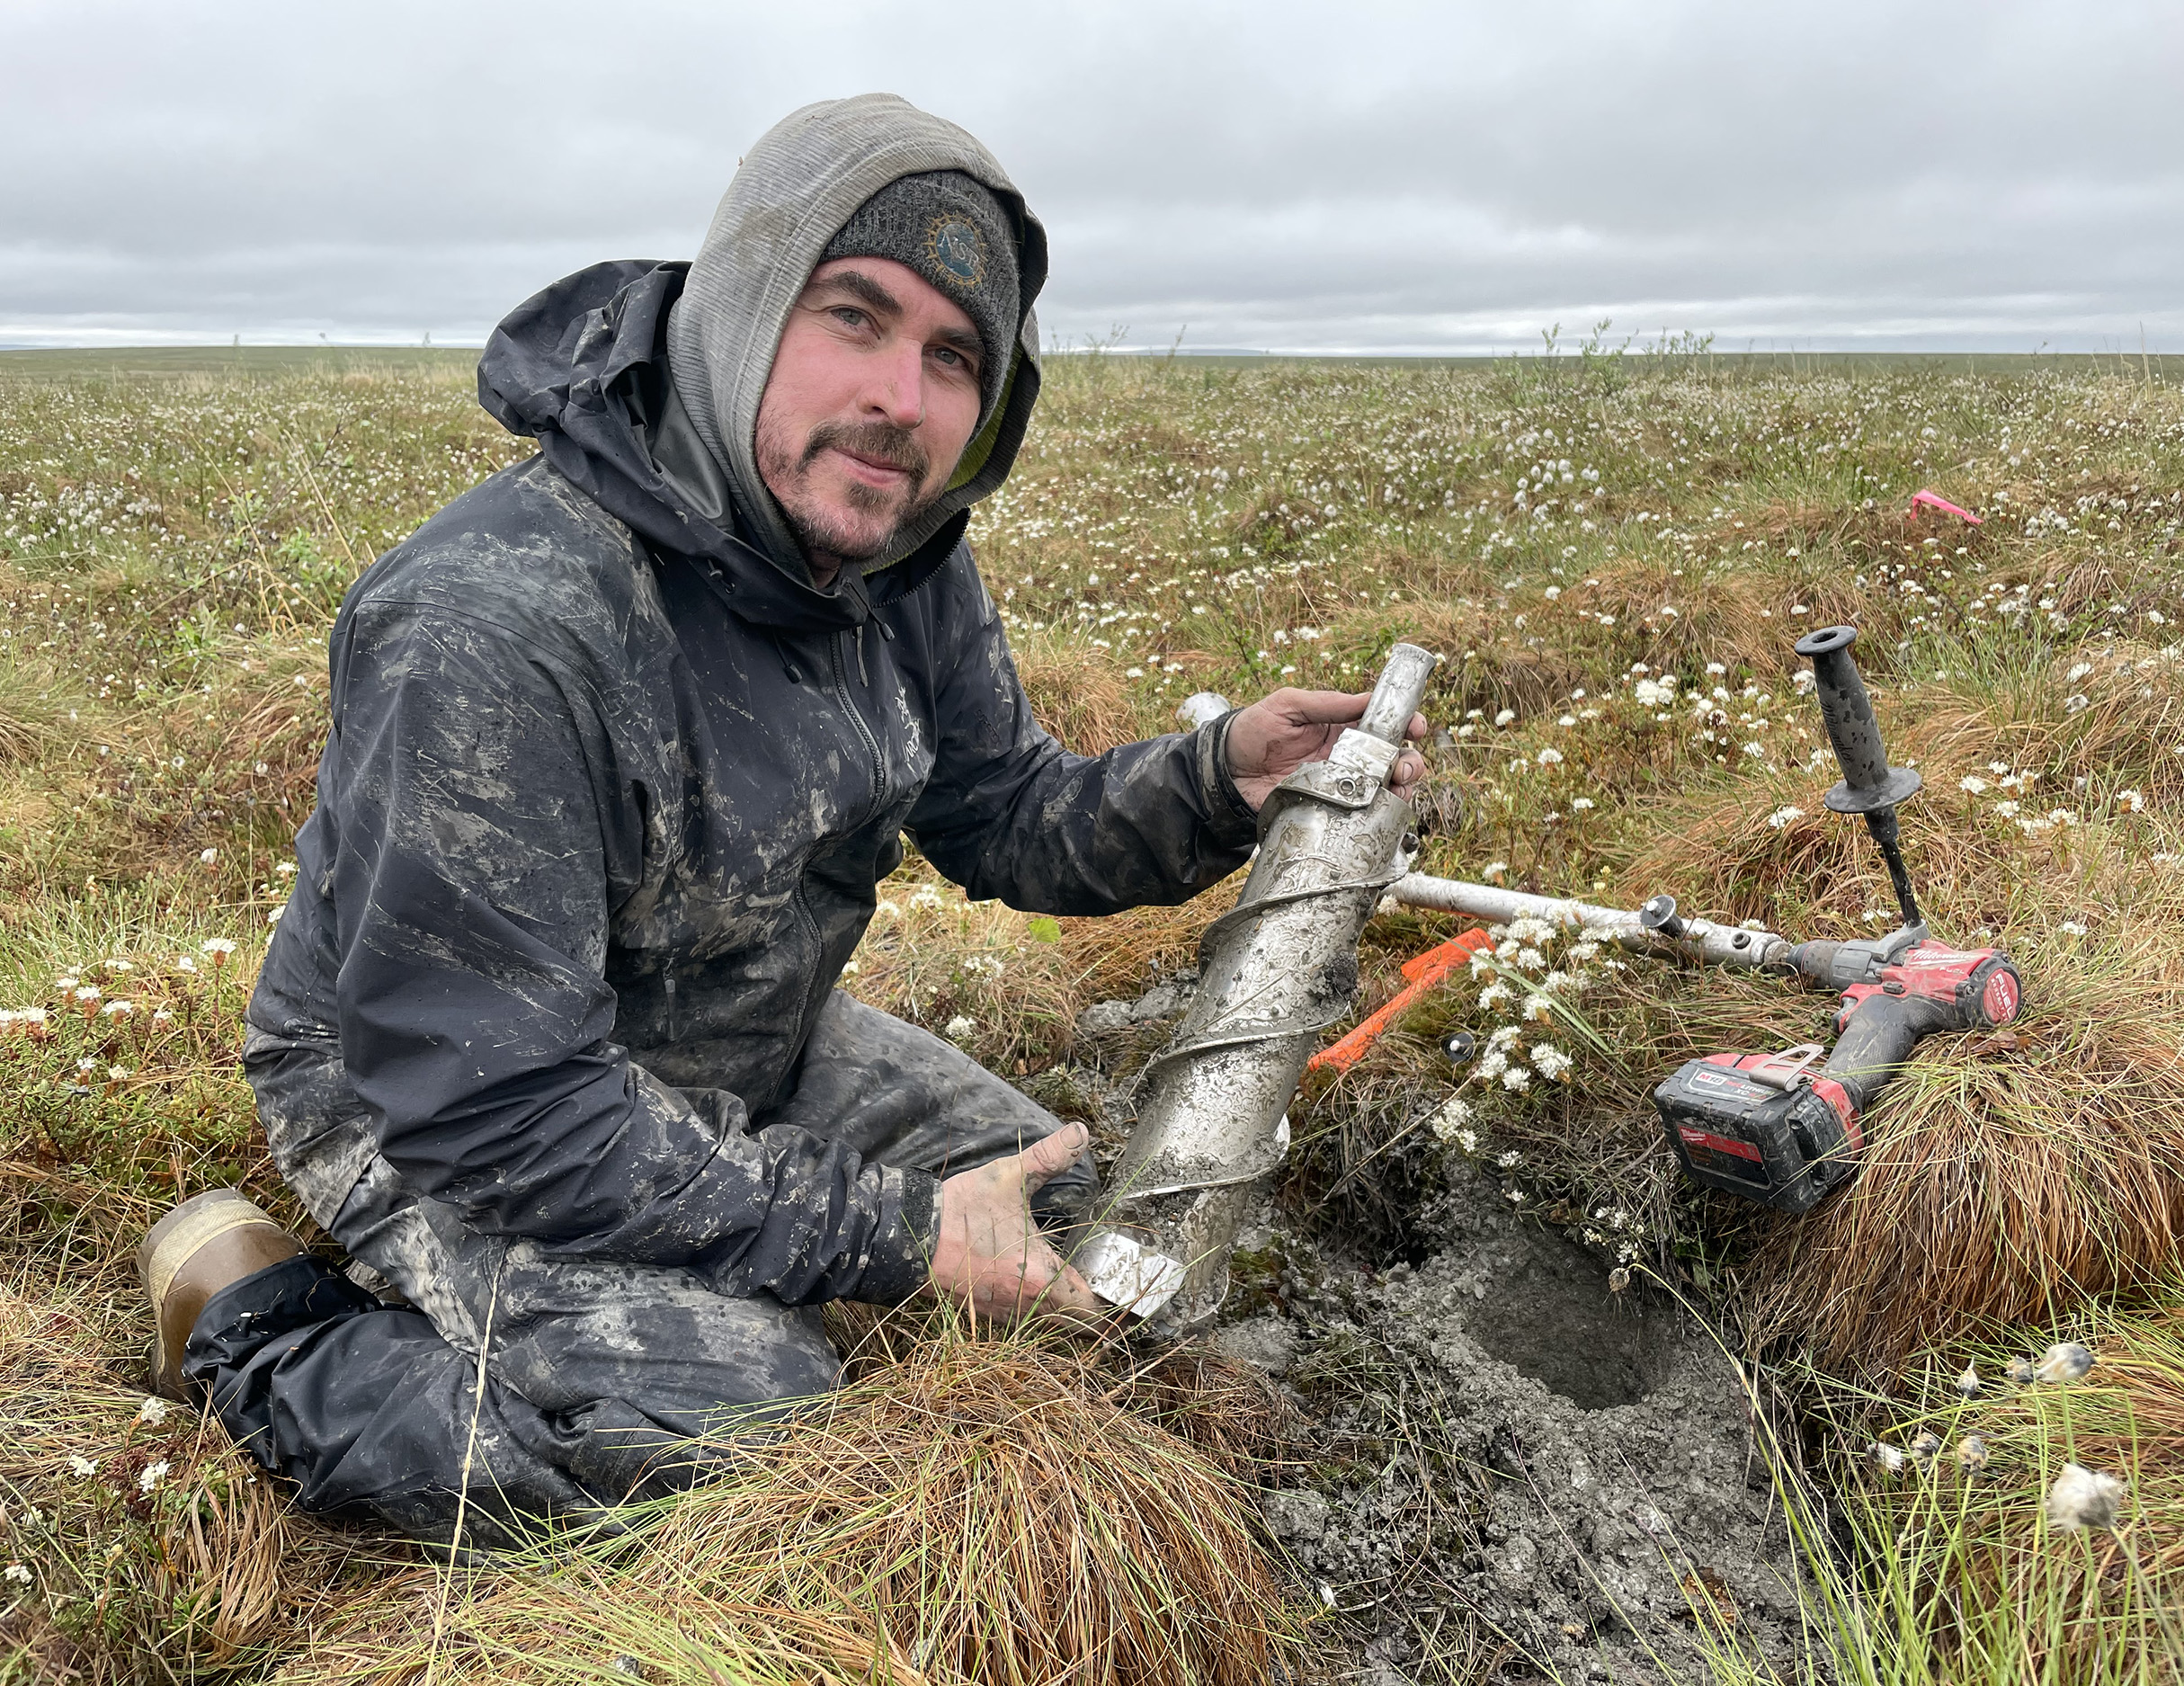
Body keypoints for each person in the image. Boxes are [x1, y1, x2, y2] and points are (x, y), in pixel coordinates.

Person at [137, 93, 1425, 1544]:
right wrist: (887, 1235)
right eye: (855, 317)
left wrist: (1212, 783)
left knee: (1093, 1262)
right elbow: (496, 1107)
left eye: (954, 357)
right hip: (437, 1102)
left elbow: (1004, 812)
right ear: (743, 306)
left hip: (743, 1036)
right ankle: (261, 1330)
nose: (903, 398)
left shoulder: (887, 548)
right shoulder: (495, 623)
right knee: (747, 1454)